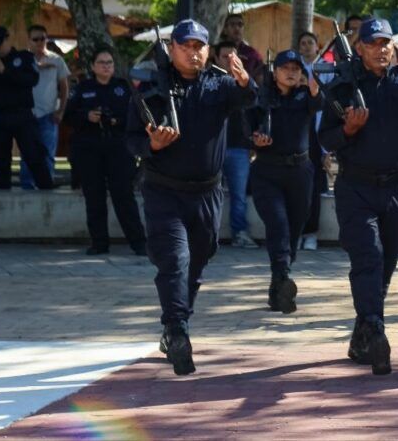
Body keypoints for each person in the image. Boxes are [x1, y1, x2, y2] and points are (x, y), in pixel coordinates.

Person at [125, 19, 255, 376]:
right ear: (172, 49)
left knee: (198, 260)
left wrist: (245, 81)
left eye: (200, 46)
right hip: (164, 190)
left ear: (208, 50)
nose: (193, 52)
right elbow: (131, 138)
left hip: (207, 192)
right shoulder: (150, 87)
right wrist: (151, 145)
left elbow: (250, 100)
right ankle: (178, 330)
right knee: (175, 260)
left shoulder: (218, 84)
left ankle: (175, 322)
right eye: (186, 46)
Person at [318, 17, 398, 376]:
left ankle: (362, 331)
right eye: (373, 43)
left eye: (386, 42)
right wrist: (348, 129)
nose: (381, 48)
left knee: (387, 257)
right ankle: (375, 329)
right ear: (359, 48)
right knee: (368, 257)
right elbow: (326, 139)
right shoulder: (341, 86)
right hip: (356, 186)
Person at [246, 50, 321, 313]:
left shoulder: (305, 96)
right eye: (285, 68)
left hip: (300, 171)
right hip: (267, 171)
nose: (291, 72)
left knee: (294, 229)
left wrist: (313, 85)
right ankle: (282, 277)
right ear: (274, 72)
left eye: (296, 68)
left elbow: (319, 102)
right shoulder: (260, 97)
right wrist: (255, 140)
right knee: (277, 224)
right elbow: (245, 130)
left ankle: (278, 284)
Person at [64, 47, 147, 256]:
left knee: (124, 196)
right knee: (94, 197)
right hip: (89, 149)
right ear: (93, 66)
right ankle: (99, 243)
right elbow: (68, 117)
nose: (106, 66)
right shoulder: (82, 88)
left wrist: (115, 120)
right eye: (101, 63)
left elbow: (136, 117)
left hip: (118, 148)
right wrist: (86, 117)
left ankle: (139, 243)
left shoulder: (123, 88)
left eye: (109, 63)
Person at [0, 26, 54, 190]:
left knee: (34, 156)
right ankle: (2, 199)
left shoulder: (24, 58)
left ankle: (47, 193)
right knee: (0, 161)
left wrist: (5, 71)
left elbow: (31, 80)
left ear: (7, 40)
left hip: (21, 115)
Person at [215, 41, 258, 250]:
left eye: (234, 56)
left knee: (238, 196)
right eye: (225, 56)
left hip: (239, 147)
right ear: (215, 58)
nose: (230, 60)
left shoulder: (246, 83)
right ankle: (205, 235)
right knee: (208, 193)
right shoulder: (210, 81)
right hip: (213, 147)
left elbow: (255, 107)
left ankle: (239, 233)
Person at [19, 25, 69, 189]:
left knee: (47, 153)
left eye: (43, 38)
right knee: (27, 153)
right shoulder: (21, 60)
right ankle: (27, 185)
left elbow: (64, 87)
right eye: (36, 39)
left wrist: (61, 111)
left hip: (49, 114)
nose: (40, 42)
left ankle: (46, 184)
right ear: (29, 41)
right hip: (26, 114)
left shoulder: (56, 60)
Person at [297, 30, 326, 250]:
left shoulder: (327, 68)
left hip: (319, 134)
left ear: (318, 46)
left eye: (310, 42)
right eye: (303, 43)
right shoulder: (292, 69)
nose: (306, 46)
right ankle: (297, 231)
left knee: (314, 187)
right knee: (297, 188)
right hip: (297, 133)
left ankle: (311, 233)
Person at [221, 13, 264, 81]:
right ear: (225, 30)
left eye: (240, 25)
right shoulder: (218, 51)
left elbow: (260, 80)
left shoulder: (253, 54)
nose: (237, 28)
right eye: (232, 25)